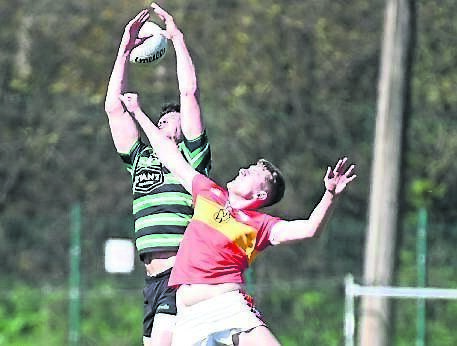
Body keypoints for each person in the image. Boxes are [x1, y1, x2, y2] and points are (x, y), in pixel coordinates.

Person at [119, 92, 356, 346]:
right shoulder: (208, 193)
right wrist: (138, 113)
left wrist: (330, 195)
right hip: (188, 316)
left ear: (260, 193)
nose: (244, 169)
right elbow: (168, 154)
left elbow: (310, 229)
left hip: (227, 307)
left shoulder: (260, 225)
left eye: (253, 172)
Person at [104, 4, 211, 346]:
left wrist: (177, 39)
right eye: (162, 118)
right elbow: (112, 108)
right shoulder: (141, 158)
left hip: (182, 274)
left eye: (173, 118)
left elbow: (188, 93)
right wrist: (123, 50)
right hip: (152, 281)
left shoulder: (190, 158)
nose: (167, 119)